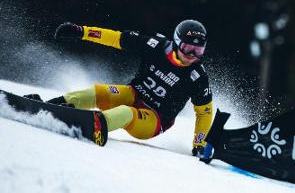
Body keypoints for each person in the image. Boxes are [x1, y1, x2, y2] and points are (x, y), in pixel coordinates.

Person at [46, 19, 213, 158]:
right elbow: (116, 38)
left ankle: (94, 127)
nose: (192, 55)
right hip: (134, 94)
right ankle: (51, 106)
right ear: (176, 43)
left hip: (155, 119)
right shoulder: (156, 46)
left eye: (199, 50)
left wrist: (200, 144)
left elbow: (204, 112)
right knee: (98, 92)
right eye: (188, 47)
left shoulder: (197, 77)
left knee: (126, 112)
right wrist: (82, 31)